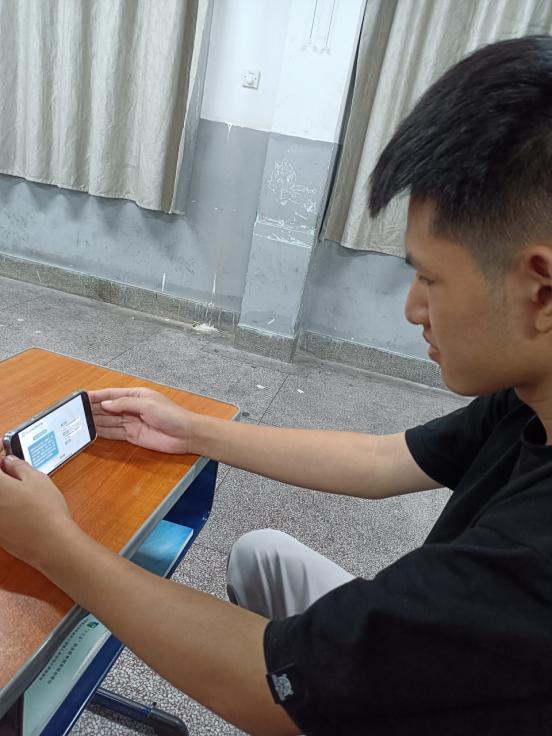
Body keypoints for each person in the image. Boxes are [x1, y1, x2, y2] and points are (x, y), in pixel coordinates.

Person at [1, 34, 552, 735]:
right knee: (261, 557)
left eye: (429, 278)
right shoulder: (530, 395)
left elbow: (271, 688)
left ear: (541, 290)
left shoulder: (527, 567)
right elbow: (384, 460)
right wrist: (192, 429)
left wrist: (53, 543)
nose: (413, 309)